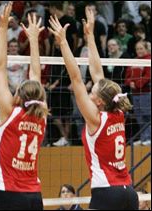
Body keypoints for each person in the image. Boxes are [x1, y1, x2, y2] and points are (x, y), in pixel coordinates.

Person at [48, 6, 139, 210]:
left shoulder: (95, 118)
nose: (89, 92)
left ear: (99, 102)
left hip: (106, 193)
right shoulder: (118, 113)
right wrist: (90, 36)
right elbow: (98, 72)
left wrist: (63, 42)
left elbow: (76, 79)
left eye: (92, 93)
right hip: (129, 191)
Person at [0, 2, 49, 210]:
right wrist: (34, 39)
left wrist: (3, 29)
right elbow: (36, 75)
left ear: (17, 96)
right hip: (34, 195)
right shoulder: (41, 115)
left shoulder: (9, 112)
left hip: (8, 193)